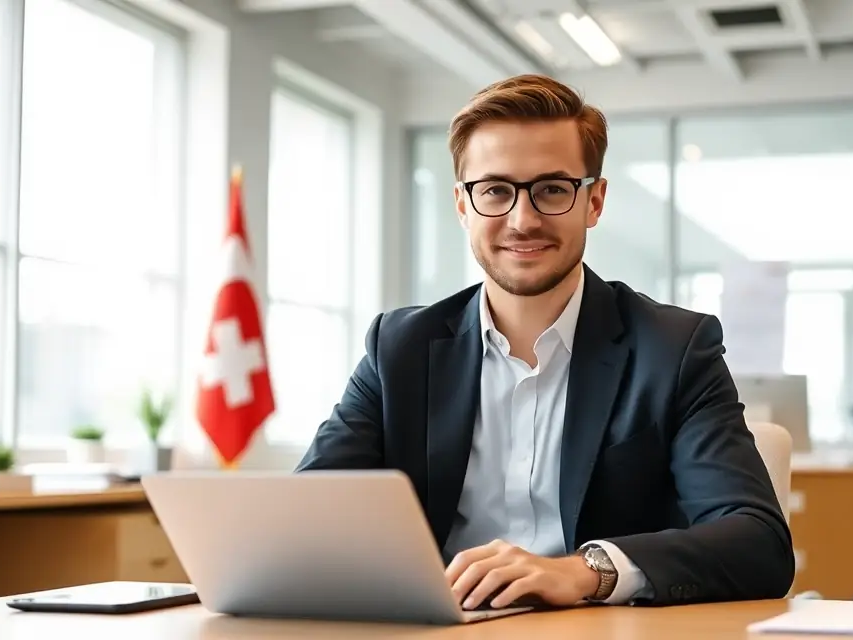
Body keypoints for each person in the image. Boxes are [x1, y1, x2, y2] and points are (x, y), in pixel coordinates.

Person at [296, 74, 794, 610]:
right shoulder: (399, 348)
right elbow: (302, 518)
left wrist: (585, 570)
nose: (523, 219)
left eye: (552, 190)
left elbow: (757, 542)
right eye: (495, 191)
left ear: (594, 201)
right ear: (463, 205)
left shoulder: (673, 349)